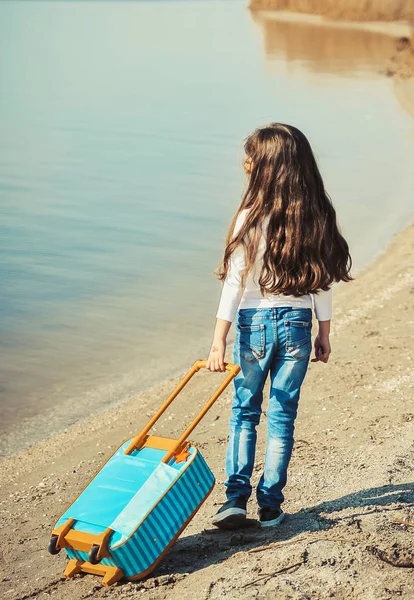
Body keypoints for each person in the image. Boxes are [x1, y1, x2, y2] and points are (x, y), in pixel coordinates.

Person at [206, 123, 352, 529]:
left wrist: (219, 340)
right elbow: (321, 280)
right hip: (297, 323)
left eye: (250, 157)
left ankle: (235, 499)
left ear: (264, 167)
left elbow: (234, 285)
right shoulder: (315, 215)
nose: (244, 163)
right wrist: (324, 331)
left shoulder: (248, 218)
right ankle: (270, 506)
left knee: (244, 411)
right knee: (283, 416)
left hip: (252, 323)